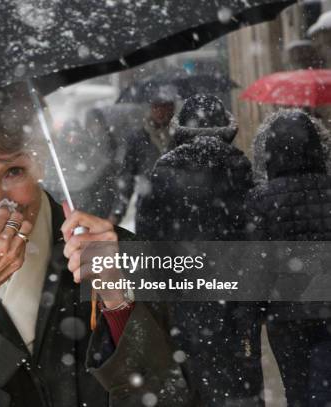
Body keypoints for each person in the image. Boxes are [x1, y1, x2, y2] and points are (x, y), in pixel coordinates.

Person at [0, 85, 193, 407]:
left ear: (40, 161)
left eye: (13, 171)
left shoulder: (118, 253)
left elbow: (170, 396)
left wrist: (118, 302)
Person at [136, 95, 264, 406]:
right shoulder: (242, 171)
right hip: (235, 301)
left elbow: (147, 242)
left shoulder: (161, 174)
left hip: (183, 298)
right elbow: (257, 241)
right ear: (227, 129)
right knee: (239, 383)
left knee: (190, 378)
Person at [246, 109, 331, 406]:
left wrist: (253, 312)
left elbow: (258, 264)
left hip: (286, 314)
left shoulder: (261, 199)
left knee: (296, 390)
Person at [116, 96, 176, 218]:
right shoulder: (138, 138)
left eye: (164, 106)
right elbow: (127, 176)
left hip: (178, 206)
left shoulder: (179, 136)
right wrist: (118, 212)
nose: (160, 111)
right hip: (148, 207)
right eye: (156, 106)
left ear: (171, 109)